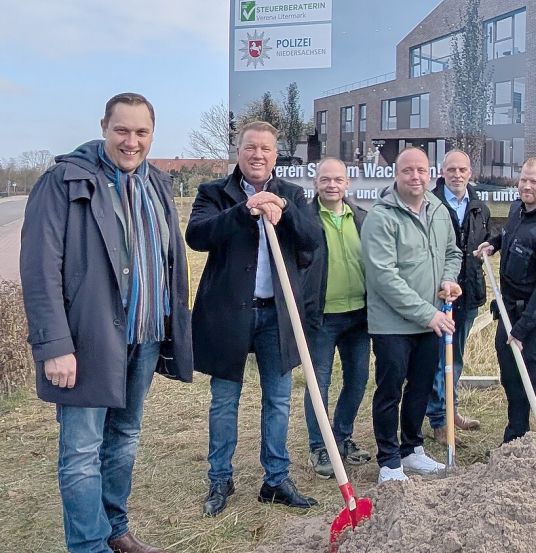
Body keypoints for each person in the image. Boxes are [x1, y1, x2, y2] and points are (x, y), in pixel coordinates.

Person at [20, 92, 193, 553]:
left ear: (152, 134)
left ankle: (116, 532)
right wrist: (54, 344)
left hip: (145, 337)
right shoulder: (64, 181)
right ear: (103, 127)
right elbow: (40, 268)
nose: (131, 141)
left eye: (141, 132)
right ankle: (89, 545)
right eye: (122, 130)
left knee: (125, 440)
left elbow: (169, 260)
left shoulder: (156, 182)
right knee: (80, 453)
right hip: (87, 341)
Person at [187, 121, 321, 517]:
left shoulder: (292, 193)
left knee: (278, 400)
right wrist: (243, 211)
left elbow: (312, 238)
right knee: (224, 401)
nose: (257, 154)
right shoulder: (214, 193)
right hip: (229, 315)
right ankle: (219, 478)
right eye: (250, 148)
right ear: (239, 152)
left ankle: (276, 480)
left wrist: (287, 214)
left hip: (276, 317)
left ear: (275, 155)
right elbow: (198, 235)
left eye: (265, 148)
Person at [361, 147, 462, 483]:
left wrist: (449, 278)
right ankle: (389, 461)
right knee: (390, 389)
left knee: (420, 386)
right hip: (392, 324)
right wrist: (427, 314)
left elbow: (452, 252)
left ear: (429, 173)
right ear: (396, 175)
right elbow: (383, 277)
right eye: (408, 171)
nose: (415, 177)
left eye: (421, 170)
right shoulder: (381, 217)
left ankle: (412, 448)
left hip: (430, 319)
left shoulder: (438, 210)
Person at [475, 157, 536, 442]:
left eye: (534, 181)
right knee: (512, 380)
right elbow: (510, 235)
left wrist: (522, 329)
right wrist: (494, 243)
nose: (527, 186)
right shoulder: (517, 210)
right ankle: (515, 438)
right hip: (509, 313)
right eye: (523, 180)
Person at [299, 157, 371, 479]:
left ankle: (341, 437)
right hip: (322, 319)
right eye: (325, 179)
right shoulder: (305, 219)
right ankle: (319, 446)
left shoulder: (362, 218)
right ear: (316, 183)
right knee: (319, 384)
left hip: (359, 317)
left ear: (347, 184)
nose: (331, 185)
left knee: (357, 381)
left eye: (337, 180)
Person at [425, 150, 490, 445]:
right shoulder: (430, 205)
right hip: (440, 293)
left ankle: (452, 411)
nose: (457, 174)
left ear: (470, 172)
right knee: (439, 359)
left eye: (462, 169)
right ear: (442, 171)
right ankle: (439, 421)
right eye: (451, 169)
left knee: (457, 357)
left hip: (469, 292)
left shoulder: (479, 207)